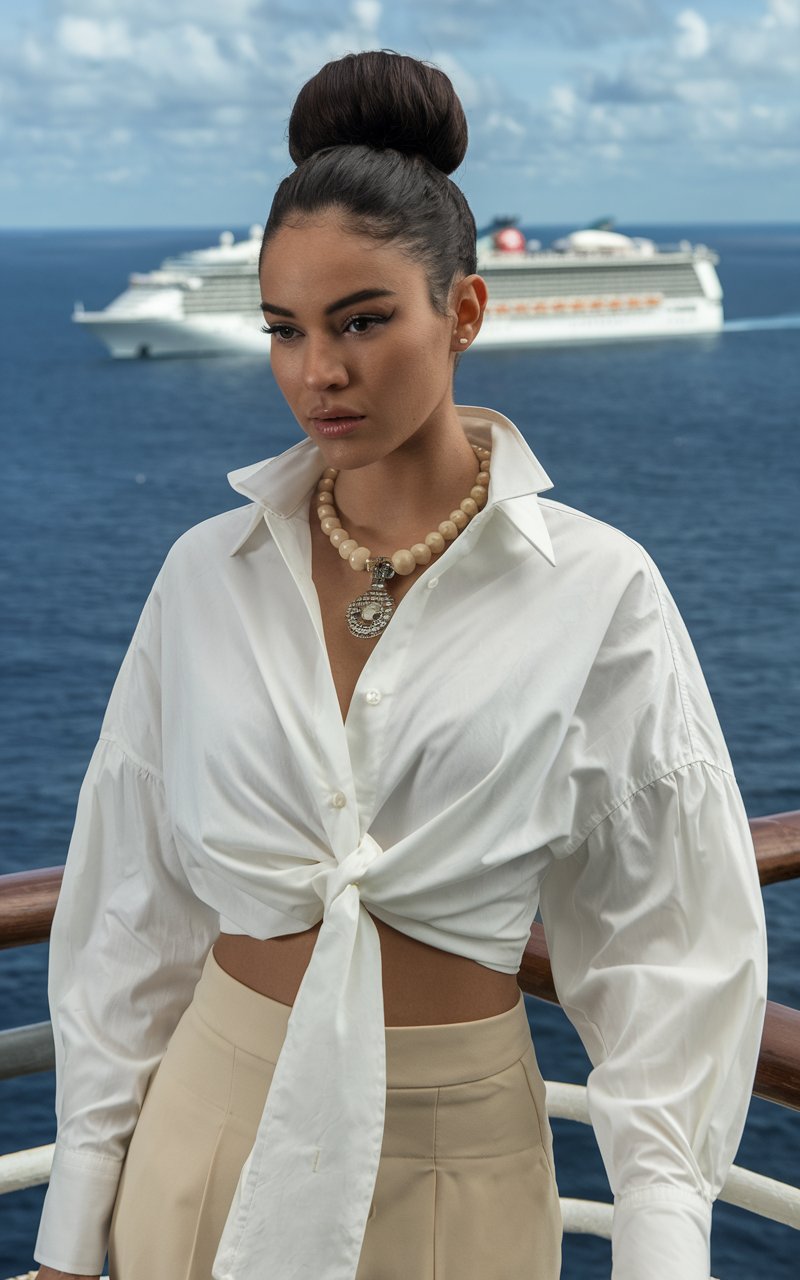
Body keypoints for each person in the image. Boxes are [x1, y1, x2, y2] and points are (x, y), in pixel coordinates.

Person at [33, 49, 766, 1280]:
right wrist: (70, 1225)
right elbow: (132, 910)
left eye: (363, 320)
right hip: (200, 1134)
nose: (317, 371)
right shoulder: (203, 574)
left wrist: (659, 1246)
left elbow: (667, 948)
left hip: (455, 1166)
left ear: (464, 313)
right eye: (284, 328)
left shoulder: (600, 590)